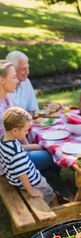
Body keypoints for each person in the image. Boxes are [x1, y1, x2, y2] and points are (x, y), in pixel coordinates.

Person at [0, 61, 73, 201]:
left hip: (15, 154)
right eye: (13, 77)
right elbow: (6, 147)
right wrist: (35, 146)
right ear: (1, 80)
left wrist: (31, 148)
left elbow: (18, 129)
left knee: (48, 155)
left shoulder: (7, 99)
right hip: (7, 164)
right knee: (52, 156)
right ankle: (62, 192)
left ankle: (58, 189)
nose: (17, 81)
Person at [0, 107, 56, 204]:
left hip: (14, 180)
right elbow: (22, 174)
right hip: (34, 182)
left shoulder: (4, 141)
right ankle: (57, 211)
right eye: (26, 131)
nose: (27, 133)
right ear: (15, 131)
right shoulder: (15, 151)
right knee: (51, 195)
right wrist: (31, 191)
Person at [5, 50, 38, 117]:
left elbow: (33, 110)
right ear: (12, 69)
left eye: (27, 68)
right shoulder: (4, 86)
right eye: (23, 69)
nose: (27, 72)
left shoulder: (26, 82)